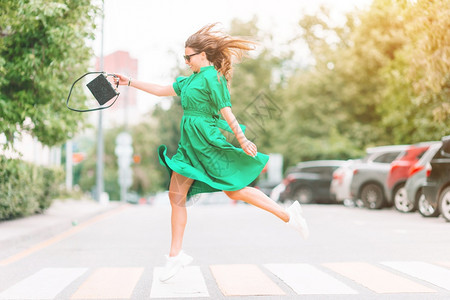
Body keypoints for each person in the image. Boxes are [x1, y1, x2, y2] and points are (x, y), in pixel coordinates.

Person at [114, 23, 308, 282]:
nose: (186, 61)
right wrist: (130, 82)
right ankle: (175, 256)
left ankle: (287, 215)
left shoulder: (213, 78)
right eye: (184, 57)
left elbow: (226, 111)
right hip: (188, 146)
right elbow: (161, 90)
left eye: (188, 57)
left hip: (207, 143)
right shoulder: (189, 80)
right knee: (176, 197)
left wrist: (242, 139)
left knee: (233, 189)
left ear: (203, 55)